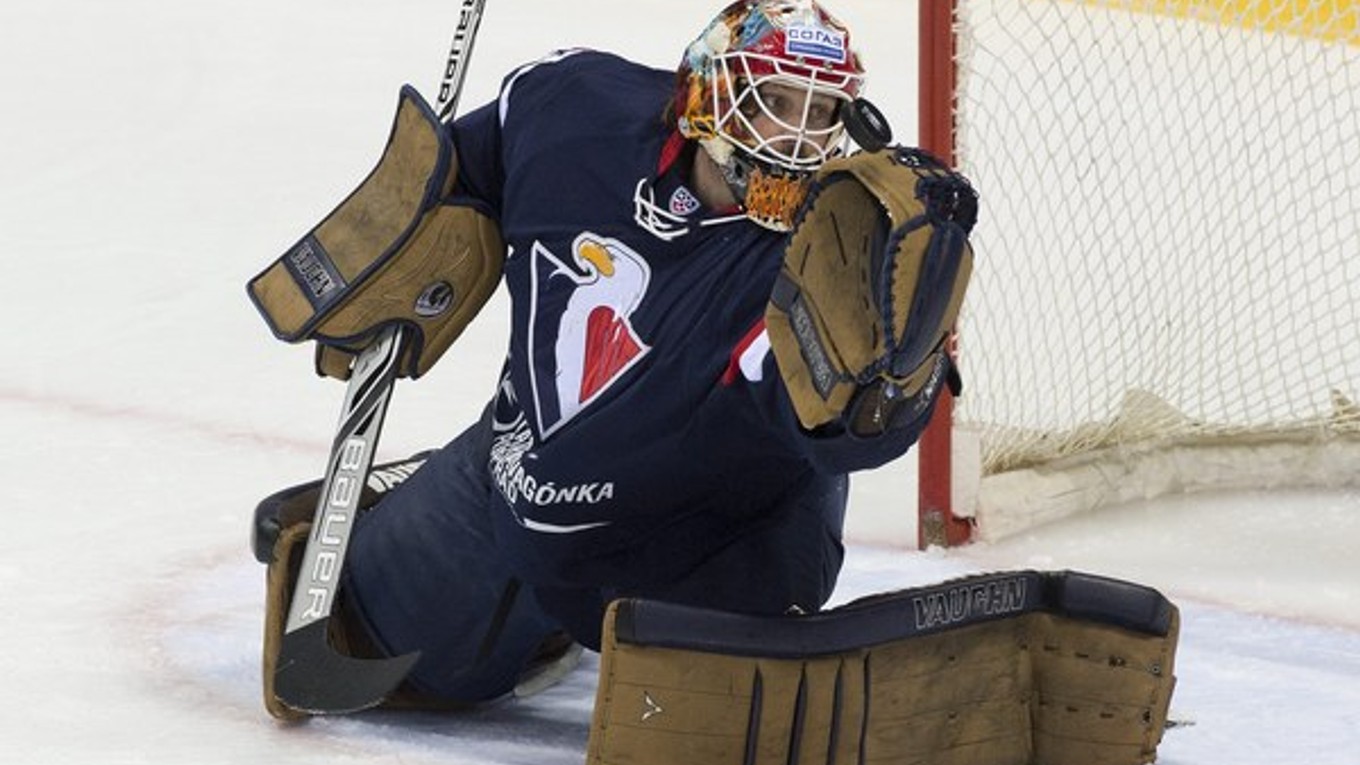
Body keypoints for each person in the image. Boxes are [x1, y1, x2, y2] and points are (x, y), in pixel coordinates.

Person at [256, 0, 960, 715]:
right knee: (392, 656)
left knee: (706, 728)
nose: (797, 136)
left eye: (822, 113)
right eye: (775, 101)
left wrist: (892, 390)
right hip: (513, 483)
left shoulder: (821, 262)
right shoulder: (574, 111)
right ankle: (465, 519)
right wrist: (419, 227)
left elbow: (840, 425)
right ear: (706, 94)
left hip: (704, 550)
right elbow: (479, 157)